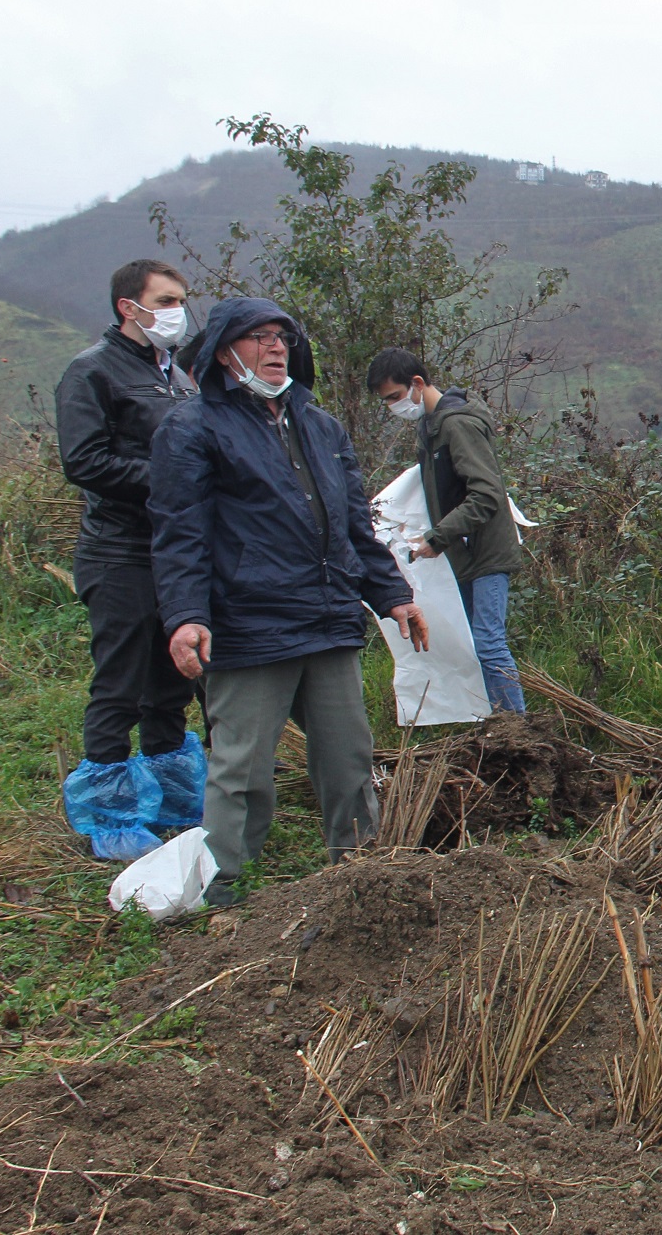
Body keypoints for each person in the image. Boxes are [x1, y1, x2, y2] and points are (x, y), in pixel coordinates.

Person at [150, 298, 429, 908]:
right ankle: (223, 893)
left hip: (327, 620)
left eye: (282, 337)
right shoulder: (192, 427)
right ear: (225, 349)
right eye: (258, 338)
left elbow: (356, 525)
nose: (276, 348)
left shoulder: (321, 427)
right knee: (242, 767)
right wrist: (187, 616)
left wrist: (391, 596)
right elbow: (180, 533)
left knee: (348, 760)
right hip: (249, 623)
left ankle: (360, 883)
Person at [54, 259, 204, 858]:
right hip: (119, 552)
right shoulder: (91, 372)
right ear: (128, 306)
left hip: (176, 554)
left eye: (181, 300)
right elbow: (84, 462)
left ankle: (170, 801)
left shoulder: (181, 379)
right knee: (119, 682)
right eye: (165, 300)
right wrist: (168, 479)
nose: (177, 311)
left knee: (172, 681)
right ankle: (111, 814)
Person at [365, 348, 526, 714]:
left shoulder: (456, 424)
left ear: (417, 384)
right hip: (465, 552)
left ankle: (519, 729)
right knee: (476, 644)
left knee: (488, 643)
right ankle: (501, 726)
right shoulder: (431, 427)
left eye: (394, 397)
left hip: (486, 550)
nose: (393, 407)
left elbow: (486, 494)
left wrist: (437, 538)